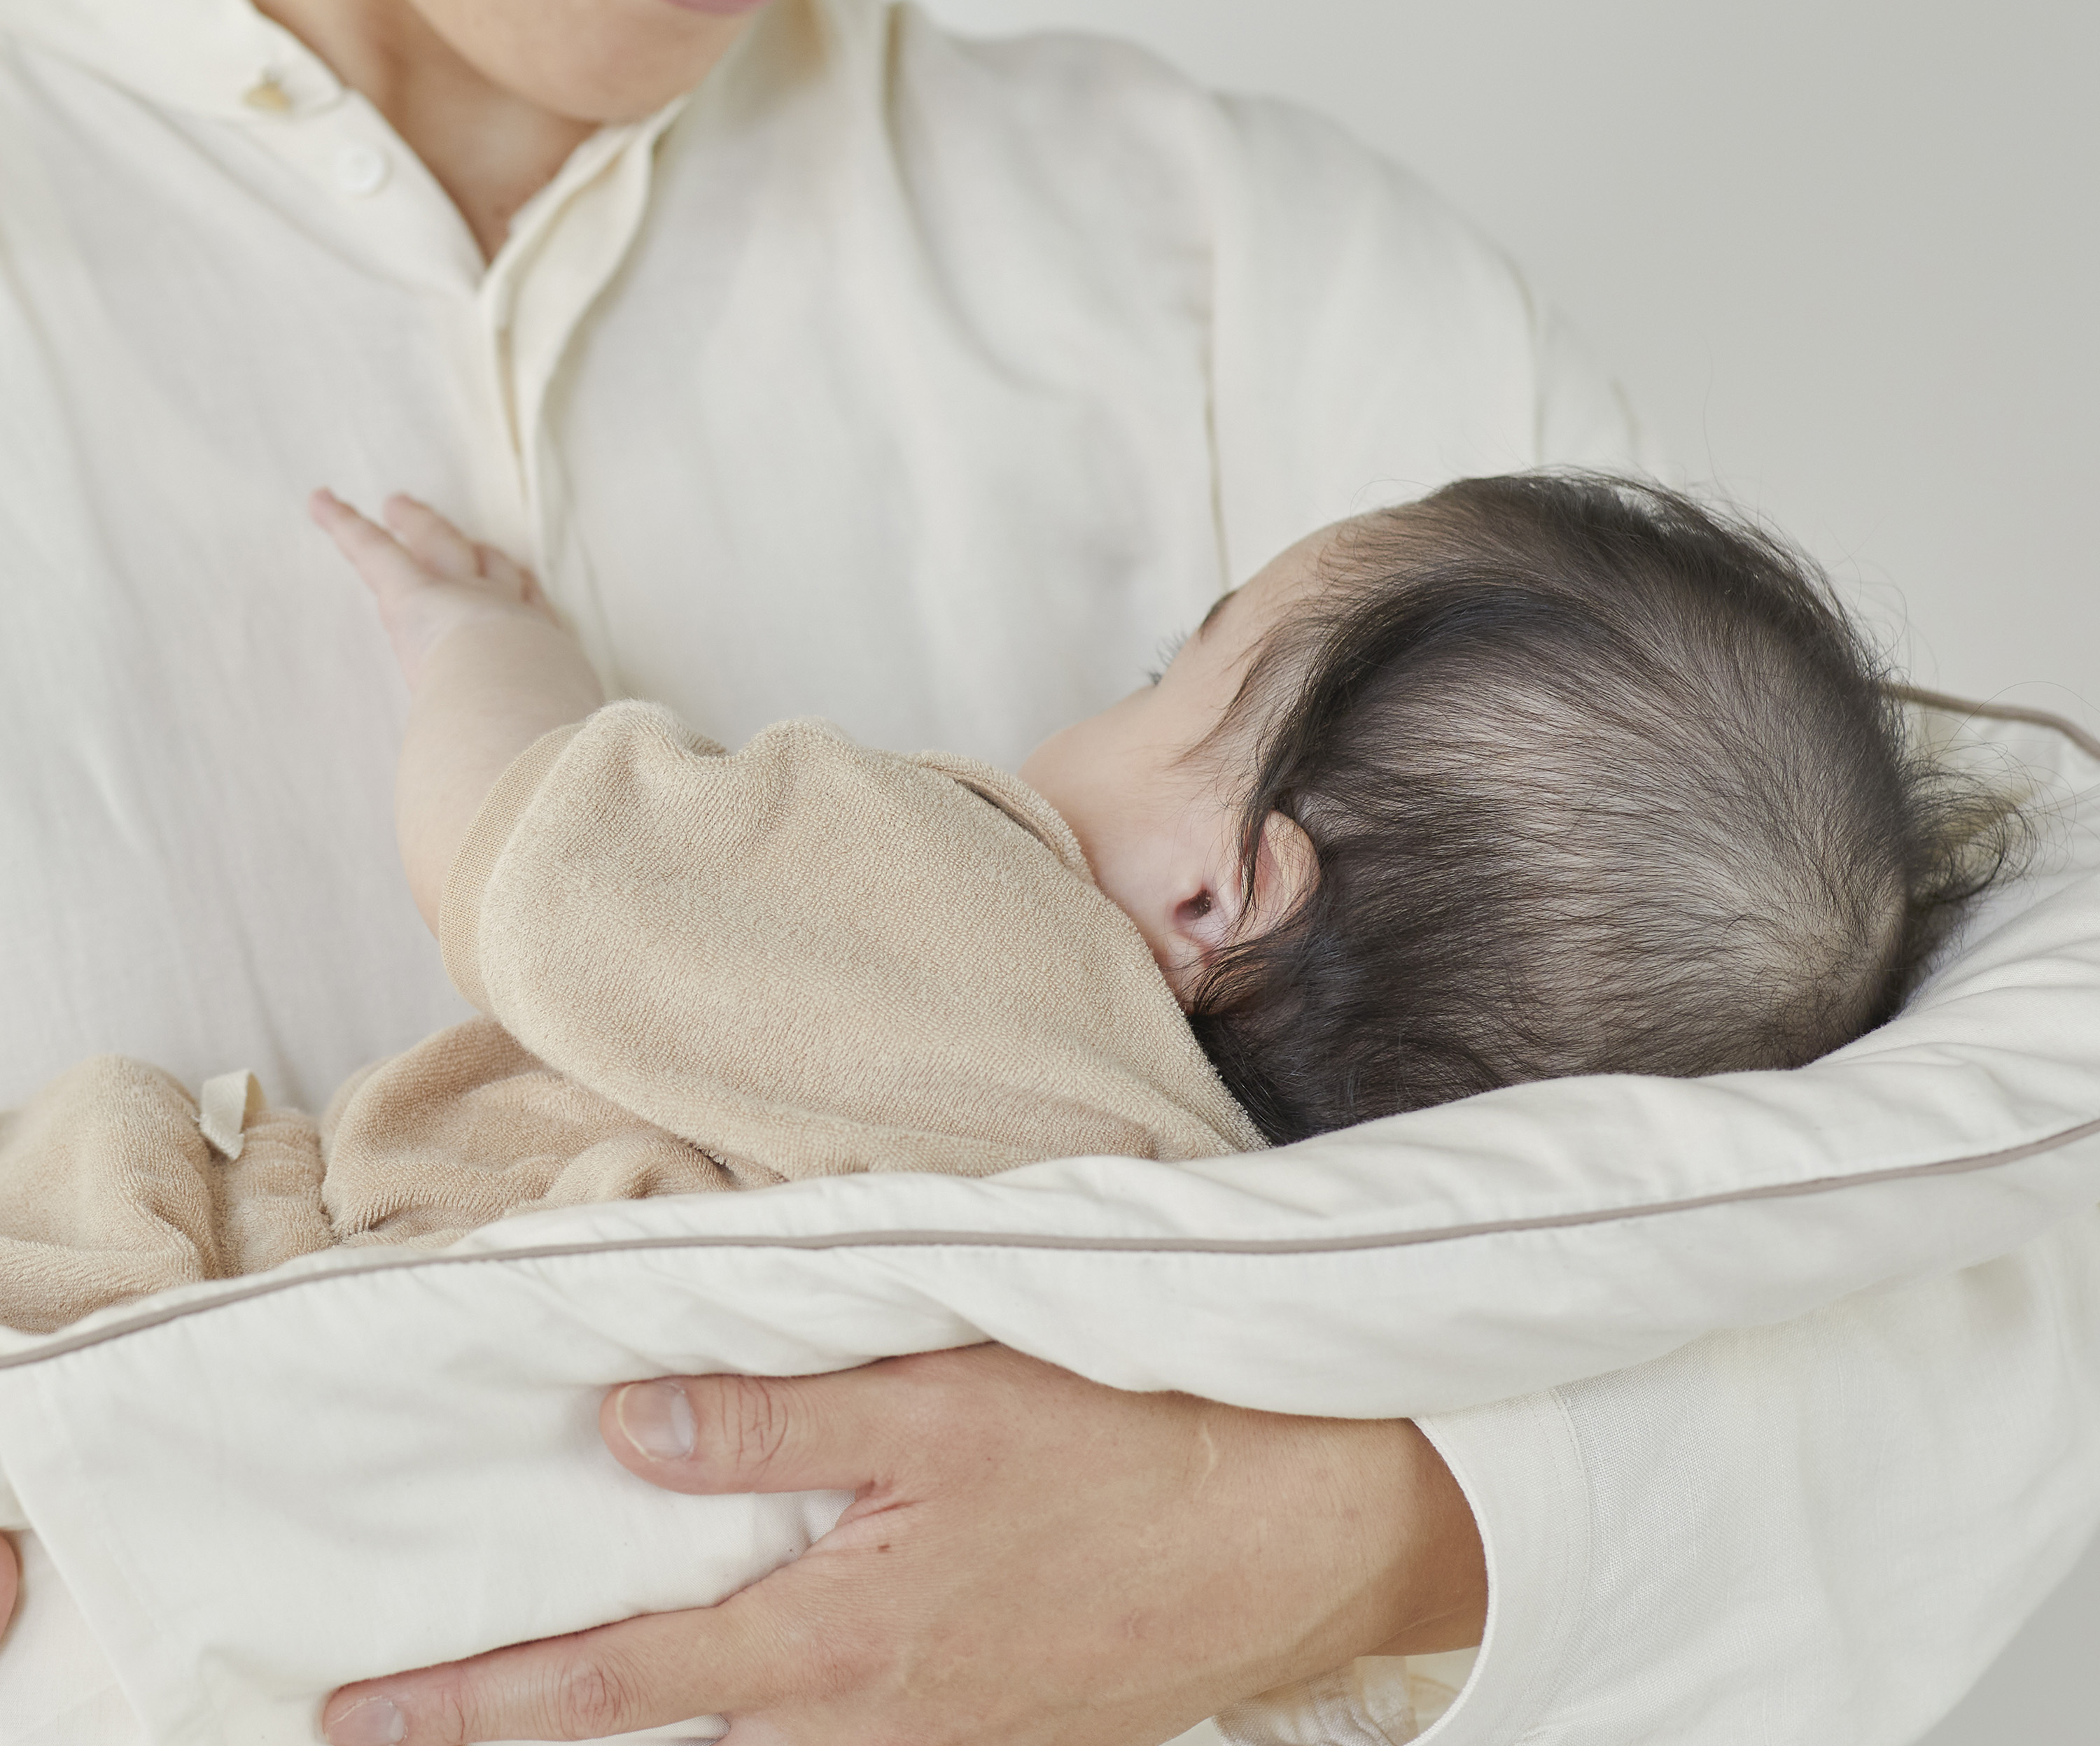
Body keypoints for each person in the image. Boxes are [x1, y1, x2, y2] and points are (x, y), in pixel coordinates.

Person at [2, 0, 2094, 1746]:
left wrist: (1320, 1540)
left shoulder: (1240, 267)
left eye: (1184, 670)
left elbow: (1962, 1257)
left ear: (1220, 899)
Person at [0, 471, 1997, 1340]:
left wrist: (481, 647)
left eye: (1169, 672)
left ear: (1221, 888)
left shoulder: (976, 935)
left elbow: (533, 860)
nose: (1101, 707)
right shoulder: (1220, 1245)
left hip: (225, 1293)